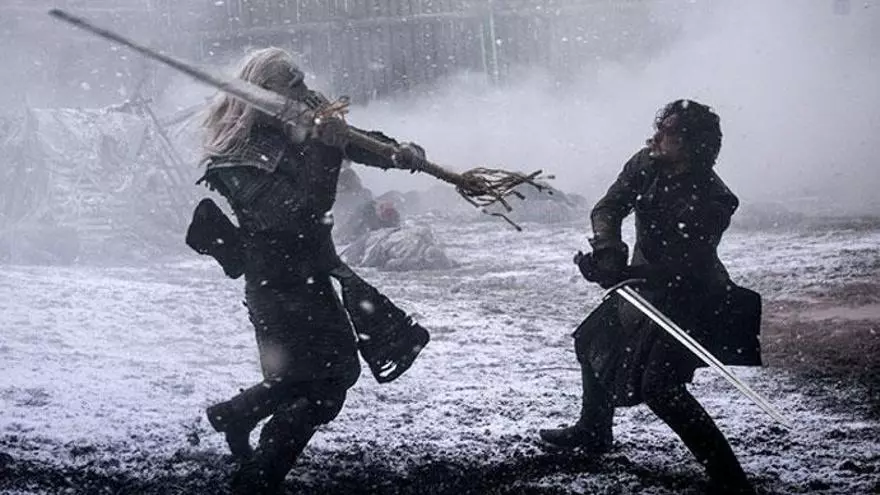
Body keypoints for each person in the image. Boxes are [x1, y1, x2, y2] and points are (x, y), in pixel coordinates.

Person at [192, 47, 426, 494]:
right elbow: (299, 214)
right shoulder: (236, 157)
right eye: (293, 84)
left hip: (312, 272)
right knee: (327, 381)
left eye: (302, 80)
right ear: (265, 92)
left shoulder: (298, 119)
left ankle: (237, 417)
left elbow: (354, 139)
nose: (305, 92)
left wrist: (396, 153)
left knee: (312, 377)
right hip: (276, 284)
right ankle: (259, 476)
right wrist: (327, 147)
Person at [539, 100, 761, 494]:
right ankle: (594, 429)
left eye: (667, 132)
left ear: (691, 145)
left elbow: (684, 264)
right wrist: (608, 253)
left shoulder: (715, 199)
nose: (654, 137)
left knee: (661, 388)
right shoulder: (646, 164)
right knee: (590, 340)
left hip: (693, 298)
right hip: (645, 286)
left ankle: (730, 480)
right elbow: (609, 207)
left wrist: (623, 274)